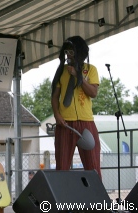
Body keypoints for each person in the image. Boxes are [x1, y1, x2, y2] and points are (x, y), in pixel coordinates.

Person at [51, 35, 101, 178]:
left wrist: (78, 75)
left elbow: (93, 93)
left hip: (86, 122)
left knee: (93, 165)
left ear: (79, 52)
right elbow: (55, 96)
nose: (68, 55)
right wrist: (57, 115)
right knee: (62, 166)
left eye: (71, 52)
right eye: (66, 52)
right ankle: (61, 198)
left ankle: (96, 198)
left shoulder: (91, 69)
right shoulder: (61, 71)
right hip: (65, 123)